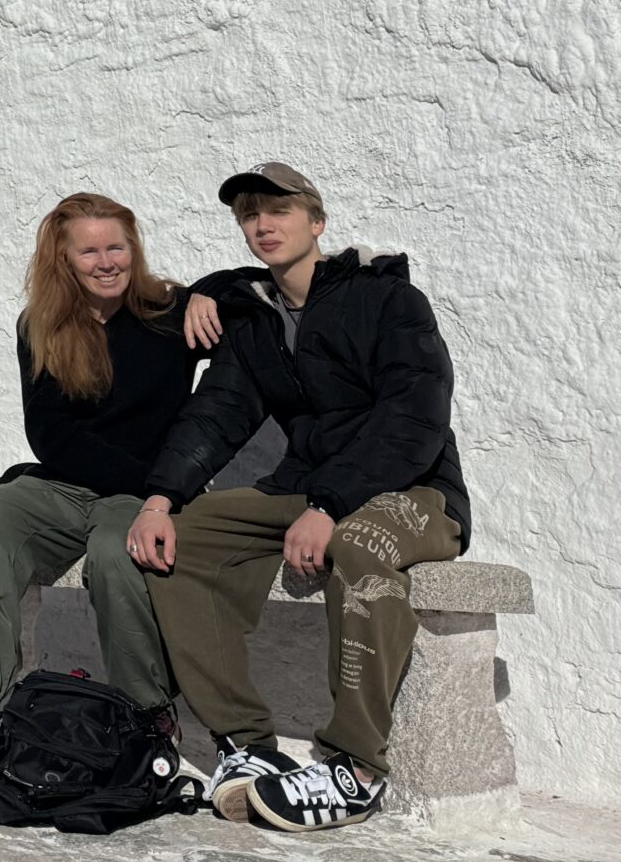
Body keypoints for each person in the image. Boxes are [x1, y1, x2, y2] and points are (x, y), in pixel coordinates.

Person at [127, 163, 468, 832]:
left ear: (317, 223)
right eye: (250, 214)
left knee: (360, 547)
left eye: (279, 209)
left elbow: (415, 414)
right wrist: (161, 499)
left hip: (414, 489)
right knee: (183, 543)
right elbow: (216, 413)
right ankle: (245, 743)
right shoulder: (254, 319)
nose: (263, 223)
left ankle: (357, 767)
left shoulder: (388, 302)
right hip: (311, 491)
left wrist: (331, 505)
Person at [0, 193, 232, 769]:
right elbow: (50, 432)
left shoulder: (170, 313)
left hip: (144, 496)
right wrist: (145, 477)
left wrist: (213, 289)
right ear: (63, 259)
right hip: (68, 483)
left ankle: (148, 712)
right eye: (90, 251)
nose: (106, 261)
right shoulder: (41, 326)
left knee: (117, 549)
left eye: (117, 247)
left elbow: (251, 299)